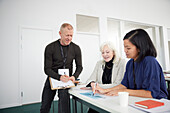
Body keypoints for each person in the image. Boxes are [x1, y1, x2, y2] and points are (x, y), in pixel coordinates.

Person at [96, 29, 168, 99]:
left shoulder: (150, 61)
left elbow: (151, 93)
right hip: (137, 100)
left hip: (157, 102)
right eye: (124, 47)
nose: (125, 50)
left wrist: (124, 91)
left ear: (139, 48)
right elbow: (124, 85)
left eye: (128, 48)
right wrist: (105, 91)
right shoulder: (130, 63)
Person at [40, 23, 83, 113]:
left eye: (71, 35)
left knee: (64, 106)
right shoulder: (50, 47)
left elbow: (79, 67)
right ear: (60, 33)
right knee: (45, 106)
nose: (69, 38)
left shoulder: (76, 48)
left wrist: (74, 76)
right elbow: (47, 69)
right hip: (53, 78)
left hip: (66, 80)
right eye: (67, 35)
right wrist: (59, 77)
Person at [84, 41, 127, 113]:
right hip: (101, 96)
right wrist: (92, 83)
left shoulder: (121, 62)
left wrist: (99, 87)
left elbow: (118, 84)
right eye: (103, 52)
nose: (105, 55)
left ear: (113, 52)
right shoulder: (99, 63)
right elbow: (90, 79)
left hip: (114, 97)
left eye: (107, 52)